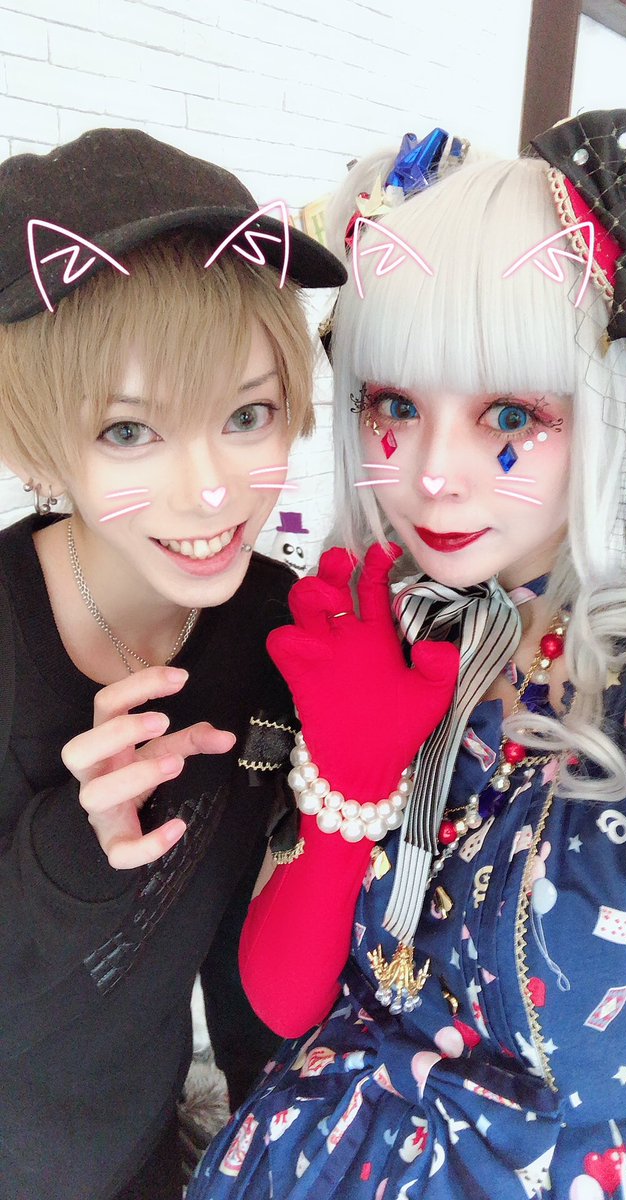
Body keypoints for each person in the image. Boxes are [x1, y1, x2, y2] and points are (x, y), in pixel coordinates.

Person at [187, 105, 626, 1199]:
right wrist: (344, 790)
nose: (431, 475)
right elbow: (280, 1003)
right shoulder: (387, 630)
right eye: (395, 405)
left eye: (510, 414)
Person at [0, 127, 345, 1200]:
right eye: (130, 432)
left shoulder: (281, 629)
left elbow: (244, 934)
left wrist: (271, 1136)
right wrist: (74, 855)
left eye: (247, 415)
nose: (210, 491)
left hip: (150, 1149)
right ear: (41, 438)